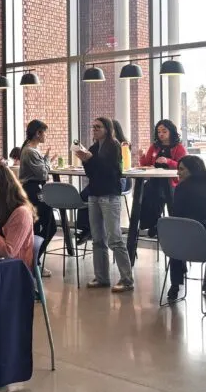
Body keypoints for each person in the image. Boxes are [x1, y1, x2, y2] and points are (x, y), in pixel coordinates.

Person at [78, 117, 133, 293]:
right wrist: (85, 160)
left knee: (114, 238)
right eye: (93, 127)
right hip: (94, 194)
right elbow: (92, 173)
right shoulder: (93, 148)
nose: (94, 129)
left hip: (109, 194)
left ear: (107, 129)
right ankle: (101, 277)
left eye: (98, 127)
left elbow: (111, 172)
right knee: (97, 239)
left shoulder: (114, 146)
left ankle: (127, 279)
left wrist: (91, 159)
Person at [166, 155, 206, 301]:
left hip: (186, 247)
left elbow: (176, 216)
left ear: (192, 170)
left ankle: (175, 285)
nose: (178, 173)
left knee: (175, 236)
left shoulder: (182, 189)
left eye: (181, 169)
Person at [138, 119, 188, 236]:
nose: (161, 134)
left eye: (164, 131)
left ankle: (163, 225)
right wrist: (142, 156)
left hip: (173, 182)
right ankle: (151, 223)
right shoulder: (154, 147)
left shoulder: (179, 148)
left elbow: (183, 166)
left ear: (171, 132)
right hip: (155, 181)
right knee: (146, 191)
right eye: (159, 131)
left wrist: (168, 161)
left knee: (163, 191)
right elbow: (146, 164)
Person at [19, 119, 57, 248]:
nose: (45, 136)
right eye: (44, 133)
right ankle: (33, 256)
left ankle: (33, 256)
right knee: (48, 227)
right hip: (33, 191)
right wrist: (48, 161)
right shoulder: (30, 151)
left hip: (33, 189)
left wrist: (46, 160)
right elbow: (43, 174)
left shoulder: (30, 149)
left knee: (38, 227)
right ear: (38, 133)